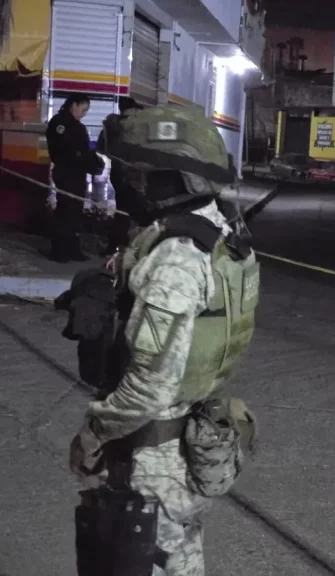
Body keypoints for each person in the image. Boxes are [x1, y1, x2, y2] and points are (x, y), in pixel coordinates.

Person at [68, 105, 259, 575]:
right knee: (180, 562)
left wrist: (91, 436)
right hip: (190, 441)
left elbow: (148, 387)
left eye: (142, 175)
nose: (133, 183)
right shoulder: (220, 228)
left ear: (175, 181)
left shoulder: (176, 259)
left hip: (151, 463)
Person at [46, 94, 105, 263]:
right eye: (83, 109)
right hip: (67, 172)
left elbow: (83, 149)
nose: (84, 113)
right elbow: (65, 152)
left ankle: (72, 249)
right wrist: (86, 158)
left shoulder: (76, 125)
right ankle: (59, 250)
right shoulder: (60, 123)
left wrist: (92, 160)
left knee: (75, 212)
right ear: (73, 105)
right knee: (66, 211)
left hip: (77, 173)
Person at [96, 97, 144, 255]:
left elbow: (101, 148)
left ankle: (116, 244)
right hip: (133, 173)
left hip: (117, 173)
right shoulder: (134, 126)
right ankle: (124, 245)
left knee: (122, 209)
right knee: (134, 212)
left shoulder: (112, 125)